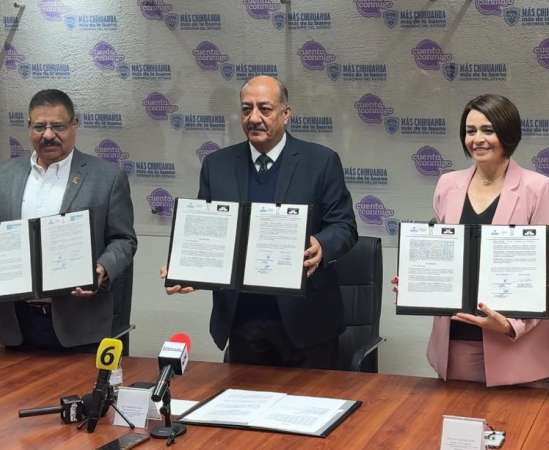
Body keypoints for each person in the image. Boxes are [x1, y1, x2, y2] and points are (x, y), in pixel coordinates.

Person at [161, 76, 357, 369]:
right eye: (246, 109)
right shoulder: (217, 165)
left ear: (286, 114)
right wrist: (189, 269)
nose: (253, 118)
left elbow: (344, 226)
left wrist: (321, 244)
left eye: (264, 109)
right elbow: (207, 231)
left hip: (307, 321)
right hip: (243, 320)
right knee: (244, 399)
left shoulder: (321, 162)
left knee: (309, 399)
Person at [394, 94, 549, 387]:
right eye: (470, 131)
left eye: (488, 130)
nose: (477, 139)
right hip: (456, 344)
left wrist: (510, 325)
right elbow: (444, 256)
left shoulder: (538, 188)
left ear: (508, 133)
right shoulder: (447, 184)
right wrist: (415, 284)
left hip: (518, 350)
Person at [0, 89, 137, 353]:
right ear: (29, 126)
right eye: (39, 126)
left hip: (80, 325)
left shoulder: (107, 177)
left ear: (74, 125)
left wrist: (103, 268)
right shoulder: (4, 175)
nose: (48, 135)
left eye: (58, 126)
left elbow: (124, 239)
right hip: (16, 324)